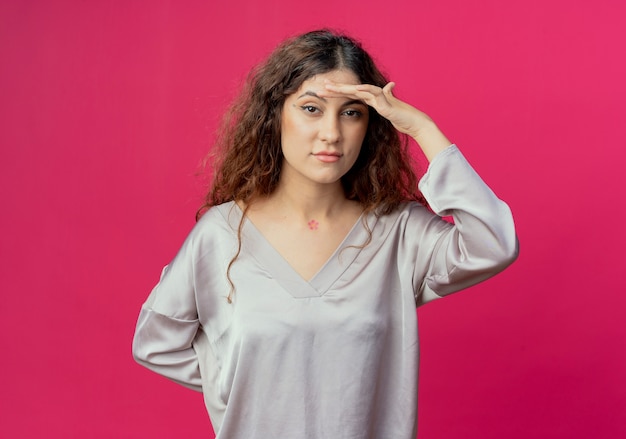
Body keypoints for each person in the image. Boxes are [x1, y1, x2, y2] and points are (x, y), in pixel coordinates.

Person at [132, 29, 518, 438]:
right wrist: (241, 379)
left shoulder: (399, 233)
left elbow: (493, 243)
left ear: (372, 123)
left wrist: (423, 129)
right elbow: (156, 342)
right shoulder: (222, 235)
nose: (332, 133)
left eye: (352, 112)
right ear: (275, 114)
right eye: (311, 109)